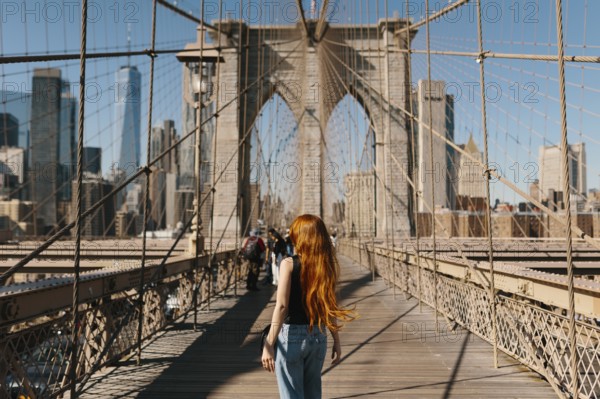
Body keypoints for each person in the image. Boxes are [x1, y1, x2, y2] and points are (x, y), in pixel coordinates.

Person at [261, 214, 356, 398]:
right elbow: (329, 305)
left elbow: (281, 306)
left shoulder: (288, 264)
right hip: (318, 336)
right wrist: (336, 340)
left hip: (292, 337)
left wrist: (268, 344)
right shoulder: (326, 265)